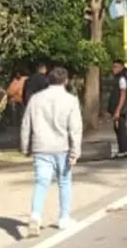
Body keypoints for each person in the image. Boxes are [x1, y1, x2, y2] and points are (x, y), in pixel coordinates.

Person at [20, 65, 83, 237]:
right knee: (64, 181)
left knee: (41, 181)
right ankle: (64, 217)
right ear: (66, 81)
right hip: (62, 147)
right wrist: (75, 151)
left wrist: (25, 146)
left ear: (48, 79)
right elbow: (75, 128)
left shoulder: (36, 99)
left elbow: (26, 124)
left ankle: (35, 215)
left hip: (41, 146)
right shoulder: (71, 100)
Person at [109, 59, 127, 158]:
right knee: (118, 129)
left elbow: (123, 95)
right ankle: (123, 149)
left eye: (116, 67)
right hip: (119, 109)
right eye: (113, 67)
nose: (114, 69)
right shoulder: (118, 78)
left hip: (121, 110)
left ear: (121, 67)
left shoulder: (122, 79)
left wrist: (118, 110)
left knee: (121, 129)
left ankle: (124, 150)